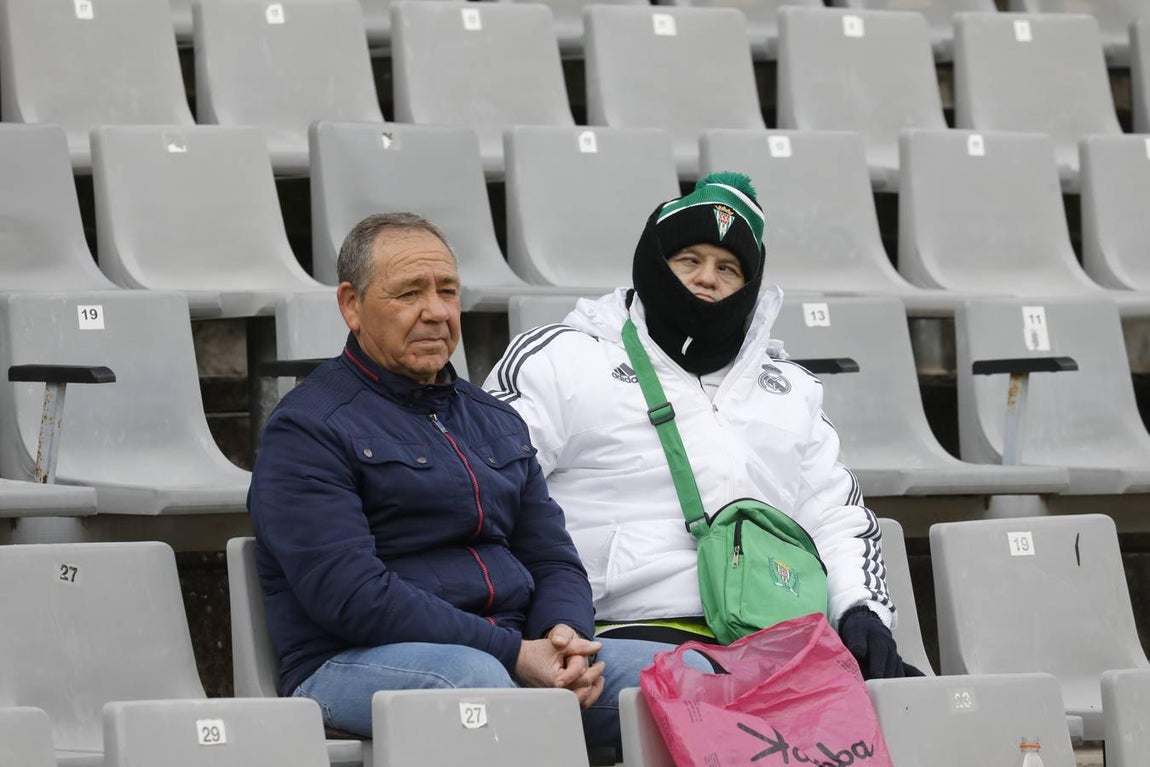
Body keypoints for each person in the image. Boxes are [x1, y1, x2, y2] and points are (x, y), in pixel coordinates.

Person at [247, 212, 700, 750]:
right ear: (351, 305)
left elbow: (552, 556)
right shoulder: (308, 427)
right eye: (409, 293)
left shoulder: (494, 418)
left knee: (682, 674)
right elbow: (353, 597)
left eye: (447, 291)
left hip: (505, 649)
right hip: (349, 659)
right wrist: (512, 654)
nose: (436, 312)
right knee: (477, 686)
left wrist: (564, 636)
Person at [484, 172, 920, 679]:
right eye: (688, 260)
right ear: (654, 261)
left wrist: (859, 610)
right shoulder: (562, 358)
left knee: (920, 706)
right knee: (733, 697)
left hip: (771, 634)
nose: (707, 278)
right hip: (619, 630)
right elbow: (488, 494)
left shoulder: (792, 389)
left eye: (728, 268)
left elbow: (835, 516)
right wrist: (539, 625)